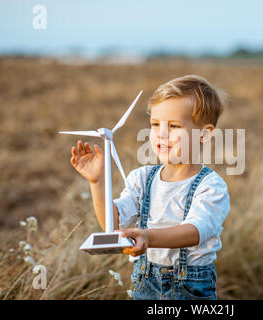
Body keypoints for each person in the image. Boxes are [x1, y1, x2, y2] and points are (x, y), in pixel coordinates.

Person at [70, 75, 230, 300]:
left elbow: (195, 231)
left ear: (204, 134)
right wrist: (97, 183)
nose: (161, 134)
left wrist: (148, 236)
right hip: (146, 281)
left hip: (191, 287)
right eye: (155, 124)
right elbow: (112, 224)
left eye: (174, 126)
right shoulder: (142, 178)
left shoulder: (211, 186)